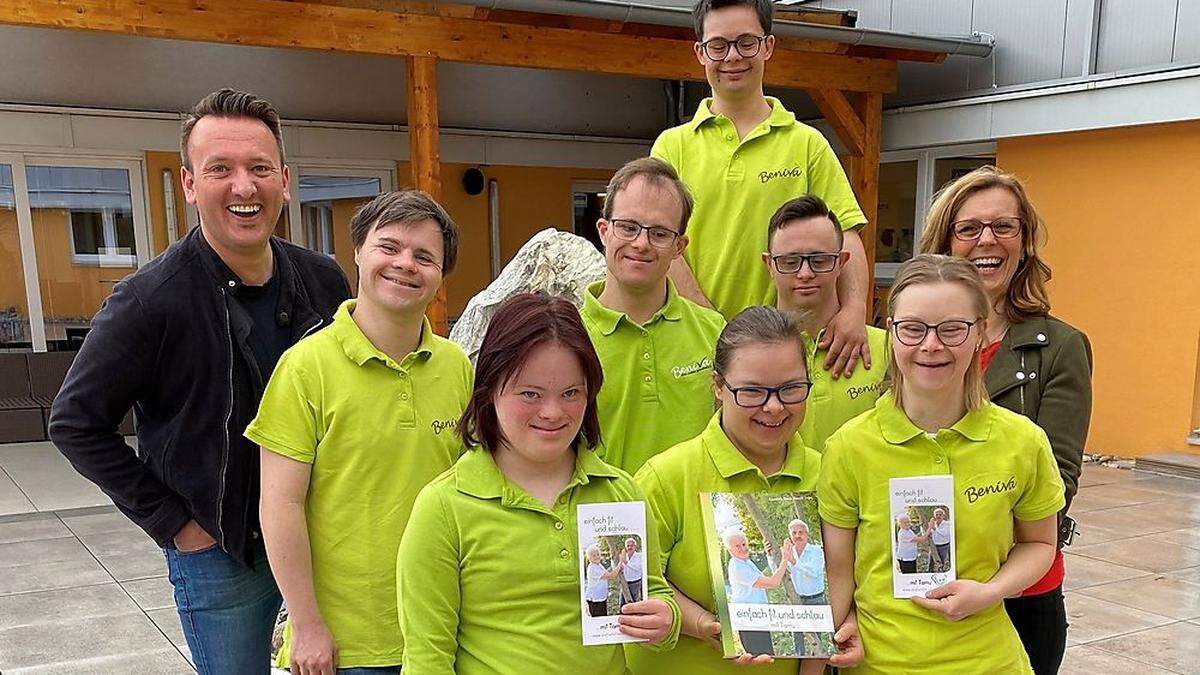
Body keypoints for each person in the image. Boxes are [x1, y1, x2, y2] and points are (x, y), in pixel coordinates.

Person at [47, 89, 349, 674]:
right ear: (189, 184)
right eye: (220, 169)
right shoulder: (148, 301)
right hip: (221, 554)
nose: (244, 187)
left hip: (324, 536)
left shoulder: (322, 280)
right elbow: (75, 423)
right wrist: (175, 525)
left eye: (260, 168)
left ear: (284, 180)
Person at [246, 190, 470, 674]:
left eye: (424, 256)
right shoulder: (305, 368)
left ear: (440, 274)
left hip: (443, 630)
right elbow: (279, 505)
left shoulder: (457, 368)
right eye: (388, 247)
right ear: (358, 254)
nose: (405, 264)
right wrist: (306, 625)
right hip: (349, 644)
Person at [397, 293, 679, 674]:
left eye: (570, 394)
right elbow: (428, 659)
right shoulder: (444, 507)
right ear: (490, 389)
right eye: (530, 394)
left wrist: (666, 619)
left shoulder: (619, 491)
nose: (552, 412)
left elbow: (650, 590)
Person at [818, 254, 1065, 674]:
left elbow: (1040, 544)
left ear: (980, 333)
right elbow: (840, 572)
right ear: (891, 333)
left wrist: (989, 592)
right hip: (880, 664)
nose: (931, 345)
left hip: (989, 663)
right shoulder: (849, 446)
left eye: (952, 329)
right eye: (913, 328)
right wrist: (840, 627)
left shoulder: (1023, 441)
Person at [918, 165, 1093, 675]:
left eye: (1003, 227)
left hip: (1016, 588)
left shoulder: (1060, 347)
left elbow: (1058, 479)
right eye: (968, 228)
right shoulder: (909, 341)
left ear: (1024, 241)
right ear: (946, 241)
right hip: (923, 576)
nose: (985, 241)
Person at [632, 306, 858, 675]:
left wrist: (851, 623)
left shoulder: (830, 474)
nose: (773, 407)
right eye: (751, 391)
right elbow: (635, 585)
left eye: (790, 389)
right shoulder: (667, 477)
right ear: (718, 387)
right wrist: (701, 623)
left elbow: (852, 580)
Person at [651, 0, 871, 380]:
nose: (732, 56)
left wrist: (854, 312)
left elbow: (846, 237)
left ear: (768, 46)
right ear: (700, 53)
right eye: (718, 45)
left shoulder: (808, 145)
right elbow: (662, 247)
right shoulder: (672, 147)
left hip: (792, 353)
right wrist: (710, 324)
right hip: (697, 347)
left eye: (746, 43)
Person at [581, 157, 725, 474]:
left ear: (679, 246)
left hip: (694, 517)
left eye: (659, 233)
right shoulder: (568, 337)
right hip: (606, 520)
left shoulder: (714, 333)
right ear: (604, 232)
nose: (641, 243)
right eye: (628, 227)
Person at [763, 196, 889, 451]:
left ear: (842, 262)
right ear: (769, 264)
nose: (805, 273)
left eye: (819, 260)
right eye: (790, 261)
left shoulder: (890, 348)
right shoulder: (747, 350)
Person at [724, 527, 793, 657]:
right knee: (761, 659)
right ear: (730, 551)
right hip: (748, 621)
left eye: (744, 544)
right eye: (737, 546)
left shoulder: (746, 562)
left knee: (768, 656)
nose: (743, 548)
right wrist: (785, 559)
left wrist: (769, 555)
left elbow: (767, 579)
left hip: (758, 618)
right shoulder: (737, 567)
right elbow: (773, 583)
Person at [784, 519, 826, 604]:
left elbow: (814, 572)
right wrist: (769, 556)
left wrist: (794, 562)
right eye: (794, 533)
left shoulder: (817, 551)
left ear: (807, 534)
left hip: (816, 600)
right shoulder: (789, 552)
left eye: (801, 532)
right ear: (790, 536)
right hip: (796, 600)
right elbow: (780, 573)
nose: (797, 536)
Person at [586, 545, 624, 617]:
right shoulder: (593, 568)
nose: (597, 557)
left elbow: (608, 574)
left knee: (603, 615)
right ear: (589, 558)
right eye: (594, 556)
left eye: (598, 554)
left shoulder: (598, 565)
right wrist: (620, 563)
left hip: (600, 597)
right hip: (595, 599)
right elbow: (611, 576)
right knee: (599, 619)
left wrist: (618, 568)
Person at [621, 537, 646, 605]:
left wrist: (626, 562)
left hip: (635, 583)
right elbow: (619, 568)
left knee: (634, 602)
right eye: (628, 546)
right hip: (624, 583)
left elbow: (638, 567)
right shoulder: (624, 556)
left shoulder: (640, 556)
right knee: (622, 602)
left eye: (631, 545)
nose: (629, 547)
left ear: (635, 546)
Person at [928, 508, 952, 572]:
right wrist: (929, 532)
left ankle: (940, 574)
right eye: (937, 514)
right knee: (931, 562)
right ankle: (929, 572)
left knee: (941, 562)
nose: (938, 516)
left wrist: (934, 528)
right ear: (934, 516)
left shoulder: (947, 524)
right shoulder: (933, 523)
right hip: (934, 546)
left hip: (943, 546)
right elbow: (928, 533)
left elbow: (945, 533)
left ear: (943, 516)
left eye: (940, 514)